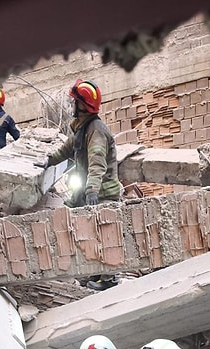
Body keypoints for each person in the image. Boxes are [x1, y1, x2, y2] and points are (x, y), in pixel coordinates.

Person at [41, 79, 124, 291]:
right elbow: (66, 150)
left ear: (83, 105)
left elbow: (98, 163)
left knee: (105, 235)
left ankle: (110, 279)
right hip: (86, 191)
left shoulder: (96, 130)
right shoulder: (81, 128)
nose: (72, 105)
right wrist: (48, 161)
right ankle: (94, 273)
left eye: (75, 101)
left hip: (102, 192)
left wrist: (92, 191)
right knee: (86, 232)